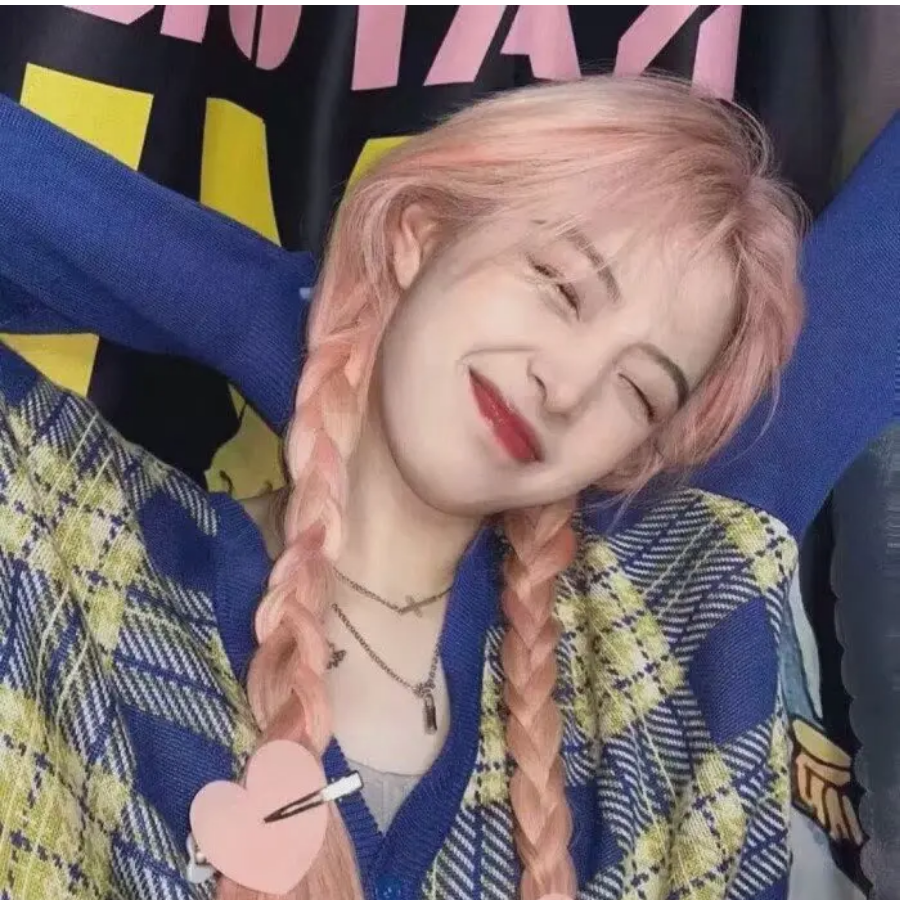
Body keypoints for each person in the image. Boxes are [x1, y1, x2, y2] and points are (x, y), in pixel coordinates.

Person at [0, 72, 887, 900]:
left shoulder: (664, 634)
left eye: (637, 391)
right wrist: (289, 311)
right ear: (421, 236)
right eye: (559, 285)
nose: (567, 387)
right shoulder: (68, 531)